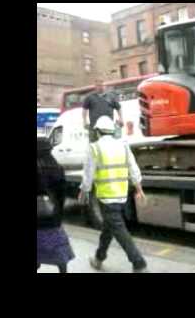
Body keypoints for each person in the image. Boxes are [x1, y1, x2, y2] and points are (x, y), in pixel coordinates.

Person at [78, 116, 148, 273]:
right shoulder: (123, 145)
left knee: (118, 229)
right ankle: (98, 258)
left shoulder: (94, 148)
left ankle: (139, 263)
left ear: (97, 132)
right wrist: (139, 189)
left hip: (106, 197)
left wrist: (84, 191)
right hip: (122, 195)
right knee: (109, 228)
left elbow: (88, 174)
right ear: (112, 130)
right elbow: (133, 168)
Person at [37, 137, 75, 273]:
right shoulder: (57, 168)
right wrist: (58, 211)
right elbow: (62, 193)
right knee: (57, 246)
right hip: (53, 216)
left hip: (38, 218)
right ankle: (62, 270)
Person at [82, 78, 124, 143]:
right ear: (95, 86)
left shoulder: (111, 96)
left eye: (101, 85)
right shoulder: (89, 97)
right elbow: (84, 109)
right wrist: (84, 121)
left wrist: (121, 118)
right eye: (98, 85)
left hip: (109, 126)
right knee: (94, 144)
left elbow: (118, 108)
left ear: (104, 86)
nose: (100, 87)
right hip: (94, 127)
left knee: (111, 144)